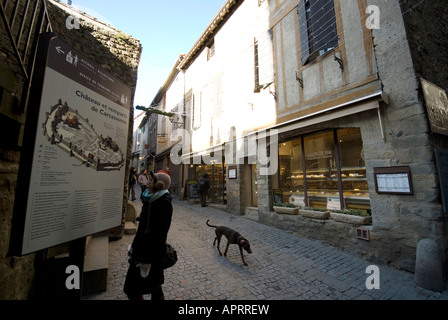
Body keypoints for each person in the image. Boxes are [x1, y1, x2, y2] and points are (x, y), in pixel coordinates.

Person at [124, 171, 173, 300]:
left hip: (150, 251)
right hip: (140, 248)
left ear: (160, 185)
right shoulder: (149, 197)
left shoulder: (164, 201)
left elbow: (161, 232)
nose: (149, 180)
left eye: (153, 179)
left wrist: (149, 254)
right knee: (150, 286)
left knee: (137, 287)